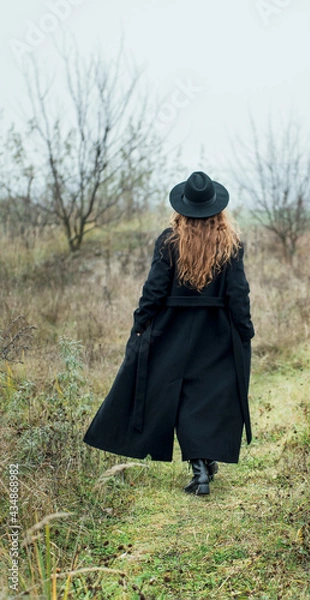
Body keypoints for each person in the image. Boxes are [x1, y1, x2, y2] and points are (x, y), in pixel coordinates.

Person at [83, 171, 255, 495]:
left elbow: (154, 290)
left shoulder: (169, 241)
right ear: (217, 210)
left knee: (181, 397)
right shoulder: (230, 243)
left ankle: (200, 472)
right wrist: (244, 330)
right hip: (216, 333)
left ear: (183, 208)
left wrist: (140, 325)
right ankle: (203, 464)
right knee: (206, 397)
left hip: (172, 330)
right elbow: (238, 294)